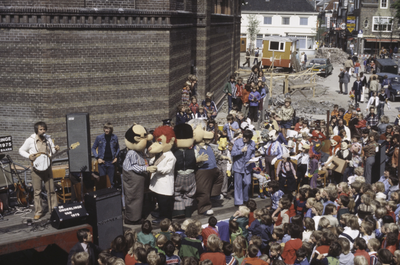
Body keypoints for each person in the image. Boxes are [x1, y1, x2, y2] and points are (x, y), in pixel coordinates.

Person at [19, 121, 59, 220]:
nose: (43, 131)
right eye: (41, 129)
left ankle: (54, 210)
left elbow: (51, 152)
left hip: (47, 168)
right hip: (36, 169)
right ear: (36, 130)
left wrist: (55, 149)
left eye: (44, 129)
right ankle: (38, 211)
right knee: (37, 191)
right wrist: (29, 156)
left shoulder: (48, 139)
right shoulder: (30, 140)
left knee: (51, 190)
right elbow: (21, 150)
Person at [91, 122, 120, 188]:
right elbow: (93, 148)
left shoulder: (114, 137)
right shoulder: (99, 137)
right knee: (103, 181)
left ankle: (111, 197)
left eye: (108, 128)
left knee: (111, 182)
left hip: (111, 162)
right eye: (105, 128)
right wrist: (97, 158)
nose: (106, 130)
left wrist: (116, 157)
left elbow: (118, 148)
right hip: (102, 163)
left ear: (111, 129)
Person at [231, 130, 256, 206]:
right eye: (244, 137)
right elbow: (232, 153)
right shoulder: (237, 142)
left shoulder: (253, 143)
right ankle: (238, 202)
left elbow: (253, 152)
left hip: (247, 166)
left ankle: (245, 199)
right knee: (238, 184)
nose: (244, 138)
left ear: (250, 138)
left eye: (246, 138)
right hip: (238, 166)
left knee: (247, 183)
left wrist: (253, 157)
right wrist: (241, 151)